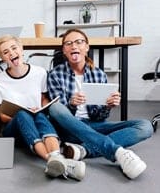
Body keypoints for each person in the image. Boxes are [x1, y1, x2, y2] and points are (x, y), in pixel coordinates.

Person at [47, 28, 153, 179]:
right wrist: (71, 104)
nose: (74, 46)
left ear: (87, 47)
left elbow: (99, 116)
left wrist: (107, 106)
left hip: (94, 126)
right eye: (68, 43)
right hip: (70, 129)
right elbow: (60, 116)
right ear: (64, 50)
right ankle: (116, 151)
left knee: (145, 126)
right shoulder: (55, 74)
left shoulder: (98, 74)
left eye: (79, 42)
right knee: (55, 107)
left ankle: (82, 150)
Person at [0, 35, 85, 181]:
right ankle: (53, 160)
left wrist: (43, 107)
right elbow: (2, 115)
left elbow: (43, 99)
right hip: (13, 129)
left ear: (21, 49)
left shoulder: (39, 72)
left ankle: (56, 158)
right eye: (5, 52)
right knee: (23, 114)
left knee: (41, 115)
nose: (11, 53)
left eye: (14, 48)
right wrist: (24, 113)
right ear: (3, 58)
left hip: (37, 121)